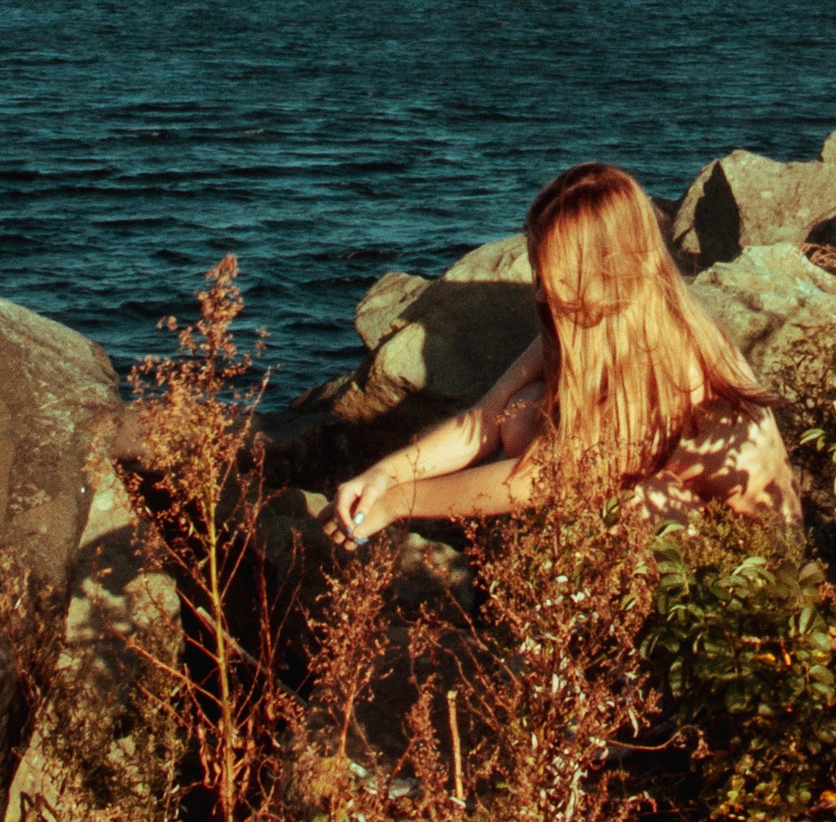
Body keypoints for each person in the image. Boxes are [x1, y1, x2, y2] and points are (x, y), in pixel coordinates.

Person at [330, 162, 798, 542]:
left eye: (555, 279)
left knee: (625, 499)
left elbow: (535, 481)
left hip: (741, 563)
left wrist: (397, 504)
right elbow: (482, 421)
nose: (538, 295)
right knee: (519, 412)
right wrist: (385, 474)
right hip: (685, 517)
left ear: (608, 272)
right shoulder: (597, 315)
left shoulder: (672, 365)